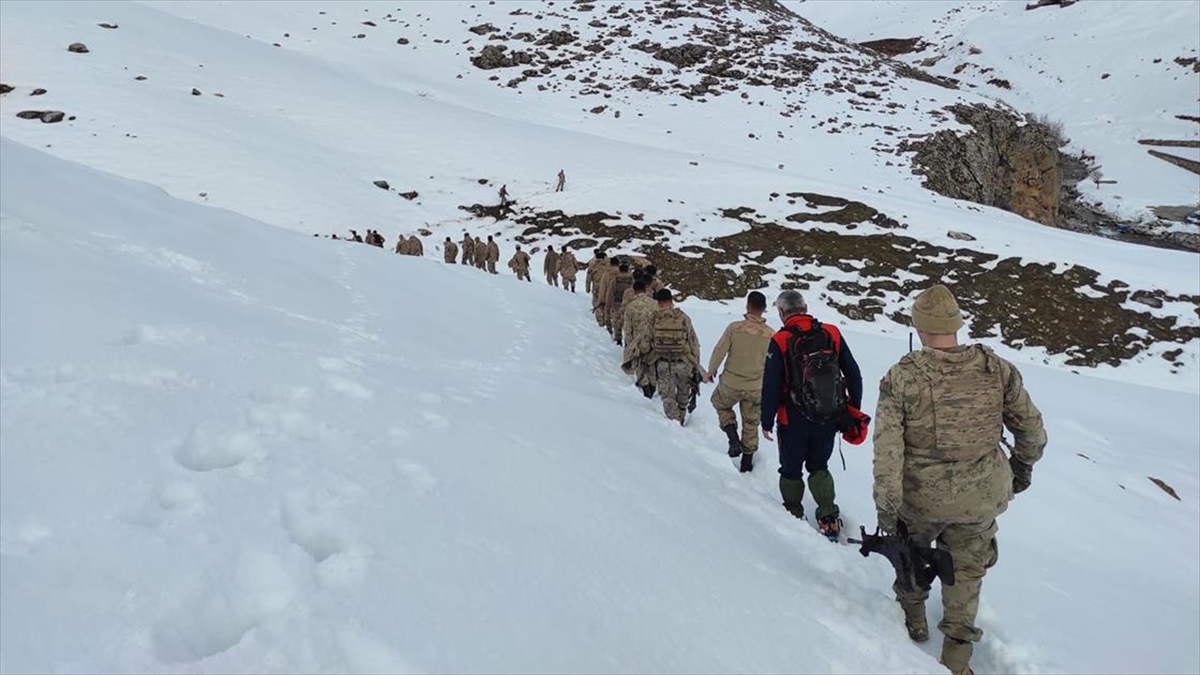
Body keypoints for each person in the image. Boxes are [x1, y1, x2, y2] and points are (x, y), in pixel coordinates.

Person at [872, 285, 1046, 675]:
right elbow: (1032, 431)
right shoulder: (996, 369)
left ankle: (914, 618)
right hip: (980, 498)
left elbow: (887, 451)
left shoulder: (903, 377)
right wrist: (1020, 471)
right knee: (967, 572)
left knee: (911, 556)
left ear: (917, 326)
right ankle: (956, 657)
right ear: (956, 325)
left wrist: (887, 508)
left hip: (920, 500)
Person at [761, 290, 863, 541]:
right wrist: (851, 407)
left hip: (791, 419)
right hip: (828, 415)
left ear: (781, 313)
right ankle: (828, 516)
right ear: (805, 307)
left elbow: (771, 385)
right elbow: (853, 373)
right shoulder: (831, 333)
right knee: (819, 466)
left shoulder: (780, 340)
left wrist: (766, 420)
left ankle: (793, 514)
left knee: (791, 470)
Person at [704, 291, 775, 473]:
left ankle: (731, 434)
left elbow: (719, 350)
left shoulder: (734, 328)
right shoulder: (771, 335)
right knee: (751, 422)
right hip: (756, 387)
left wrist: (711, 371)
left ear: (747, 306)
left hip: (731, 382)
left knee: (720, 404)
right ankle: (747, 462)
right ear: (764, 309)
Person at [647, 289, 701, 425]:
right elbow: (693, 341)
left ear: (658, 302)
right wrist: (695, 364)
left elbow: (646, 341)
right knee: (683, 391)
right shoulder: (682, 317)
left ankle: (674, 422)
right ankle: (681, 418)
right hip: (683, 362)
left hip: (663, 362)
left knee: (667, 395)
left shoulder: (654, 317)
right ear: (671, 301)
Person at [621, 280, 659, 399]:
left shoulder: (631, 306)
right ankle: (653, 386)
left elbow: (628, 328)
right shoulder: (655, 304)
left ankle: (646, 388)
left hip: (638, 341)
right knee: (652, 364)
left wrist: (629, 345)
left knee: (641, 366)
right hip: (653, 339)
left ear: (634, 290)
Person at [606, 263, 634, 344]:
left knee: (617, 321)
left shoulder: (615, 280)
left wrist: (608, 306)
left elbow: (610, 293)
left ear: (620, 270)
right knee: (628, 322)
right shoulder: (632, 280)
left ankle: (618, 339)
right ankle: (628, 340)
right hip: (628, 303)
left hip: (617, 303)